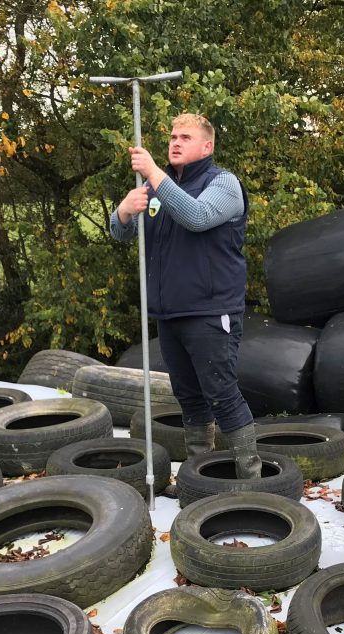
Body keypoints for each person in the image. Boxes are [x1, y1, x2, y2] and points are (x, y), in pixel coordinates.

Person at [110, 113, 260, 478]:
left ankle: (252, 481)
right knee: (189, 398)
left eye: (186, 137)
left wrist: (153, 174)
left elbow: (196, 216)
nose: (175, 142)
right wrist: (125, 212)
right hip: (170, 313)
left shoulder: (223, 184)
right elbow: (121, 234)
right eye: (173, 136)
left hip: (210, 311)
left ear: (206, 146)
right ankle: (199, 476)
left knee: (222, 394)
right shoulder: (160, 191)